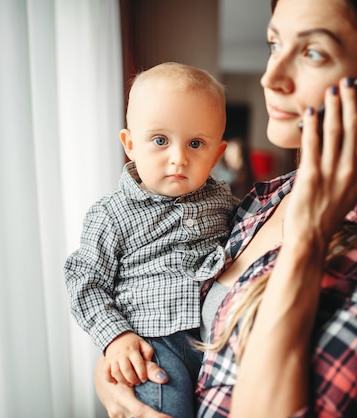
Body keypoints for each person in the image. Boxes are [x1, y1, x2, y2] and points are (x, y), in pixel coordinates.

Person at [94, 0, 357, 417]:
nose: (271, 78)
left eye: (313, 52)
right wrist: (114, 369)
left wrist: (307, 241)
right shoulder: (262, 200)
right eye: (274, 44)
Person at [64, 62, 239, 418]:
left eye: (196, 143)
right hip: (152, 345)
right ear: (130, 145)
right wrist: (115, 337)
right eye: (160, 140)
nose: (179, 158)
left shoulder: (225, 202)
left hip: (215, 342)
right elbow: (85, 282)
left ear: (217, 154)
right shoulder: (112, 213)